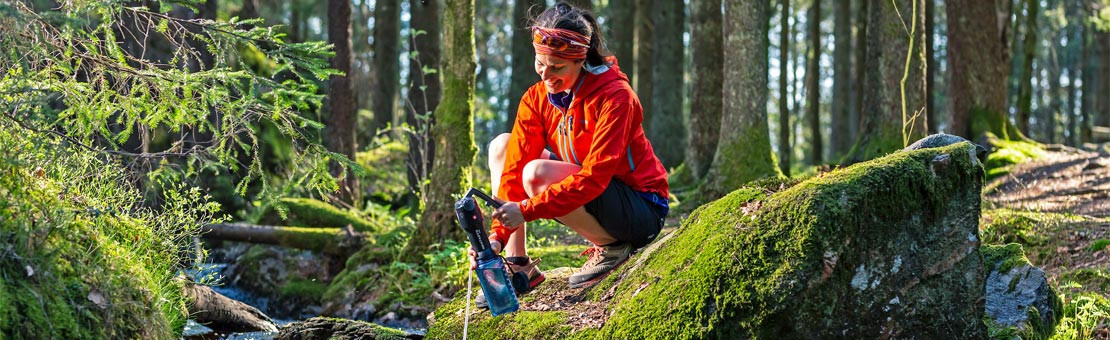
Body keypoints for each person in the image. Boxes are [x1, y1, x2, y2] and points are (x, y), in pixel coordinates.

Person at [469, 2, 669, 306]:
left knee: (536, 175)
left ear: (581, 60)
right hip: (593, 192)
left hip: (641, 207)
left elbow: (594, 178)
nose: (546, 75)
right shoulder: (537, 98)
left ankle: (612, 246)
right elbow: (513, 168)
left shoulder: (616, 97)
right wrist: (496, 236)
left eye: (557, 67)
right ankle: (516, 263)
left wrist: (525, 209)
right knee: (502, 147)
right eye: (540, 63)